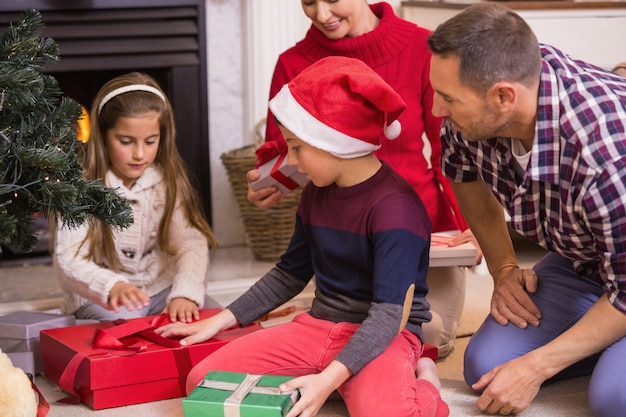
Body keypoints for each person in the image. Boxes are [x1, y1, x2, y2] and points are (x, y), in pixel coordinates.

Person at [156, 56, 449, 417]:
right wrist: (220, 320)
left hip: (384, 334)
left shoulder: (396, 208)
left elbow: (388, 317)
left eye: (297, 147)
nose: (291, 162)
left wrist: (326, 380)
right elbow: (289, 273)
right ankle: (344, 380)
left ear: (336, 142)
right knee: (204, 382)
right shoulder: (315, 192)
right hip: (317, 327)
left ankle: (423, 377)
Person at [246, 0, 481, 358]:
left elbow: (449, 152)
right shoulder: (292, 63)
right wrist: (271, 181)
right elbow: (287, 153)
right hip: (345, 241)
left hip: (422, 237)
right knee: (338, 338)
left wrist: (474, 227)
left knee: (425, 338)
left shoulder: (424, 48)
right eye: (309, 2)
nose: (322, 14)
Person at [427, 4, 626, 416]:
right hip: (589, 259)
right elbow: (465, 176)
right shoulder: (476, 105)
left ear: (504, 97)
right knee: (487, 367)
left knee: (614, 398)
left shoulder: (605, 150)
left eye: (447, 100)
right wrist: (503, 269)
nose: (437, 112)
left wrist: (538, 365)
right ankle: (606, 336)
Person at [53, 72, 220, 323]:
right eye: (126, 141)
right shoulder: (81, 188)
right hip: (102, 296)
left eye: (150, 141)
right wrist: (111, 286)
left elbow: (190, 242)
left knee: (212, 319)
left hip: (158, 287)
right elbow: (68, 259)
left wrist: (184, 293)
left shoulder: (167, 182)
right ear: (103, 137)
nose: (139, 154)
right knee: (128, 331)